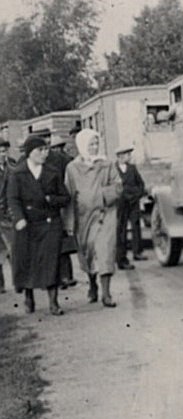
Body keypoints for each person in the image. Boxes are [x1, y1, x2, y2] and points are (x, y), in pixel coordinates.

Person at [7, 136, 72, 315]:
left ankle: (54, 302)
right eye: (40, 150)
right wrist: (19, 218)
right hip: (27, 224)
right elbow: (12, 199)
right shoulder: (18, 173)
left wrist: (52, 200)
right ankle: (29, 297)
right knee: (28, 262)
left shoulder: (52, 172)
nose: (45, 153)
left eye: (46, 149)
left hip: (50, 223)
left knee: (52, 261)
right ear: (30, 153)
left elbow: (66, 197)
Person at [65, 129, 123, 307]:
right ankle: (92, 285)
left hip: (106, 213)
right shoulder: (72, 168)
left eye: (96, 143)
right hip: (84, 217)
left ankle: (106, 293)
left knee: (105, 250)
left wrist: (100, 196)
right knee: (88, 252)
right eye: (91, 144)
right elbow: (68, 194)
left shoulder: (107, 164)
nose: (94, 147)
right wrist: (69, 221)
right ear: (82, 145)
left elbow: (118, 186)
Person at [47, 135, 79, 289]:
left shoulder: (60, 160)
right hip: (61, 201)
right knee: (62, 242)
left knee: (60, 242)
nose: (56, 149)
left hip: (58, 202)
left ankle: (63, 276)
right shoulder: (67, 159)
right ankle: (66, 275)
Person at [114, 145, 146, 269]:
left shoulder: (132, 168)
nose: (130, 156)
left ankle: (137, 252)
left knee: (136, 225)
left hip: (133, 203)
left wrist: (136, 195)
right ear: (120, 156)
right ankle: (121, 256)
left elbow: (141, 184)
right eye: (128, 154)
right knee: (120, 229)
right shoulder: (113, 169)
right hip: (121, 204)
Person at [0, 138, 14, 293]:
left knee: (13, 248)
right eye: (1, 151)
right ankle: (0, 284)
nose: (3, 154)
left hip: (8, 214)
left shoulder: (12, 167)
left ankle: (18, 280)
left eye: (5, 151)